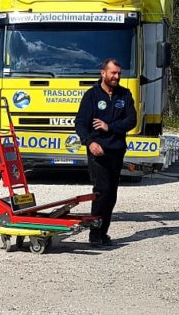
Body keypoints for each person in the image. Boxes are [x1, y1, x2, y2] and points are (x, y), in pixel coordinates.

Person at [74, 57, 136, 245]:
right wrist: (90, 142)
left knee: (112, 193)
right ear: (103, 73)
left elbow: (131, 121)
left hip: (116, 151)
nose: (116, 77)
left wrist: (110, 127)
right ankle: (94, 234)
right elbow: (80, 124)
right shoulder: (91, 95)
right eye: (113, 73)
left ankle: (103, 233)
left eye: (119, 73)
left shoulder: (125, 95)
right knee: (102, 190)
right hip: (97, 151)